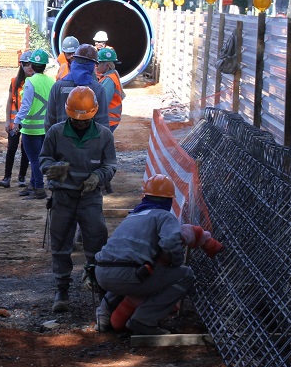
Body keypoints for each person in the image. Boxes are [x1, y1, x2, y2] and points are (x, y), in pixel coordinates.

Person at [40, 86, 117, 312]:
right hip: (62, 196)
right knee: (61, 243)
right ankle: (62, 289)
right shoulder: (56, 132)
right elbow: (43, 158)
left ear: (94, 113)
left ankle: (99, 283)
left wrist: (98, 176)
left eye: (85, 120)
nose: (81, 123)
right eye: (76, 120)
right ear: (68, 113)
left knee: (96, 239)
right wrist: (51, 169)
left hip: (89, 197)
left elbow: (110, 165)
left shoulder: (103, 135)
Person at [94, 174, 195, 335]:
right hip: (126, 275)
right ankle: (144, 320)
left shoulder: (134, 214)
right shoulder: (164, 216)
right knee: (186, 275)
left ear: (146, 196)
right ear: (169, 200)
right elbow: (170, 243)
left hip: (101, 273)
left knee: (128, 266)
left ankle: (103, 316)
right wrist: (176, 263)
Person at [13, 49, 55, 199]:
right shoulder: (51, 81)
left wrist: (16, 121)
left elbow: (26, 106)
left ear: (31, 64)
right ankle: (33, 185)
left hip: (31, 128)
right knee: (39, 158)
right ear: (45, 65)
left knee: (34, 159)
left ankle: (39, 188)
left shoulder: (30, 82)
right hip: (46, 127)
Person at [45, 44, 109, 130]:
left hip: (62, 140)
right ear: (92, 65)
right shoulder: (98, 89)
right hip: (89, 142)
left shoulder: (58, 86)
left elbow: (49, 121)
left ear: (75, 61)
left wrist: (53, 140)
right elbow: (103, 122)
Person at [0, 54, 33, 188]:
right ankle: (7, 177)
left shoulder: (35, 82)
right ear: (21, 65)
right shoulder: (15, 82)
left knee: (26, 149)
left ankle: (22, 177)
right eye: (26, 64)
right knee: (11, 148)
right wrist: (7, 121)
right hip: (15, 122)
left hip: (29, 122)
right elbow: (9, 102)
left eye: (31, 64)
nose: (29, 67)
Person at [96, 47, 124, 132]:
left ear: (107, 66)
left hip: (108, 120)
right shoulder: (110, 76)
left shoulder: (109, 80)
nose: (96, 66)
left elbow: (103, 102)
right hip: (110, 119)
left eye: (99, 63)